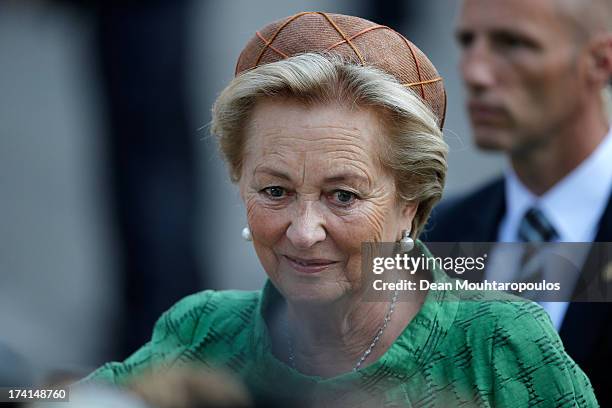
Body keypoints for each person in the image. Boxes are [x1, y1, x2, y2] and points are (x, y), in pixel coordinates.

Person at [81, 12, 597, 407]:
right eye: (275, 191)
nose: (304, 233)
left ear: (410, 207)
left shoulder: (501, 346)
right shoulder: (201, 333)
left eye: (343, 196)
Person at [424, 0, 612, 405]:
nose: (474, 72)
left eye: (514, 43)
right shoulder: (436, 233)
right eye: (467, 41)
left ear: (600, 62)